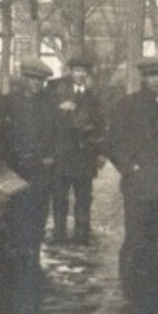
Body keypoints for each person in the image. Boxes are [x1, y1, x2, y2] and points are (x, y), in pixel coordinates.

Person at [106, 56, 158, 284]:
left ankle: (151, 281)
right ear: (143, 77)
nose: (157, 80)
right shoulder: (128, 105)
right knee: (135, 235)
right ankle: (129, 283)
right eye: (152, 75)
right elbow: (113, 143)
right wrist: (129, 167)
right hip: (138, 183)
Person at [0, 58, 61, 270]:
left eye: (40, 80)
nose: (36, 84)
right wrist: (0, 162)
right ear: (24, 79)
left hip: (41, 167)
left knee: (38, 211)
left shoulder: (51, 105)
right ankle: (12, 254)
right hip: (14, 167)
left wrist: (53, 156)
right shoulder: (8, 103)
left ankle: (33, 253)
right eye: (32, 79)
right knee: (13, 211)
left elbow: (61, 135)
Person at [51, 56, 106, 243]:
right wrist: (59, 109)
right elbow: (48, 121)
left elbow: (100, 125)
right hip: (62, 154)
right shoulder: (58, 93)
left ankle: (82, 234)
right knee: (60, 197)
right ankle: (59, 233)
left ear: (87, 74)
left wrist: (100, 152)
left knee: (84, 197)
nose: (80, 74)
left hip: (85, 154)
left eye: (83, 71)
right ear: (71, 72)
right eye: (77, 71)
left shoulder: (93, 97)